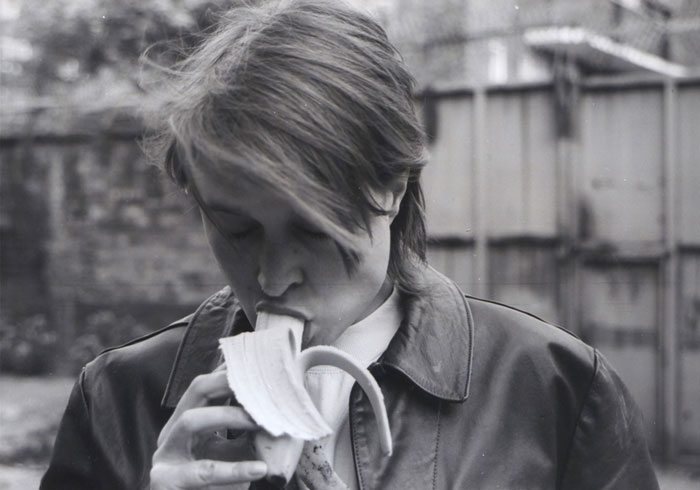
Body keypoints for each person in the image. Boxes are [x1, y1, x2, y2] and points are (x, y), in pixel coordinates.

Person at [41, 1, 660, 489]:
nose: (274, 277)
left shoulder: (560, 394)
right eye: (237, 228)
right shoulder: (115, 403)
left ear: (390, 190)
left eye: (312, 229)